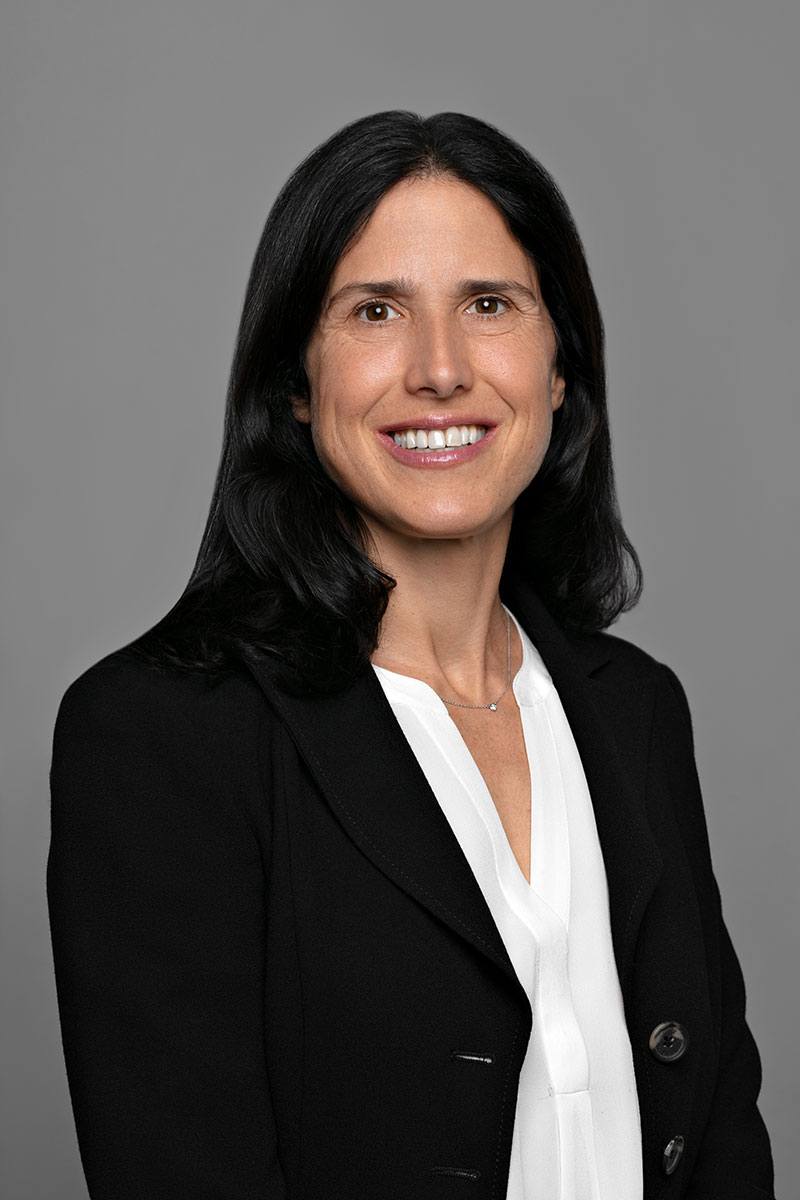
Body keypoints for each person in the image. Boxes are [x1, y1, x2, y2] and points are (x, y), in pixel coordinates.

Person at [46, 110, 775, 1200]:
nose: (439, 370)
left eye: (489, 305)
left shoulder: (633, 713)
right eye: (375, 311)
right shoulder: (162, 734)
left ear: (559, 365)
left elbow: (721, 1138)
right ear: (295, 382)